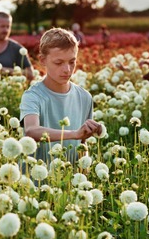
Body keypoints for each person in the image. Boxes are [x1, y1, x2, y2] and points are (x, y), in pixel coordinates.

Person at [19, 27, 102, 165]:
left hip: (69, 181)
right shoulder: (32, 96)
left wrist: (84, 174)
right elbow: (31, 130)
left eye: (72, 62)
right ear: (42, 60)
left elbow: (83, 143)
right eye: (58, 63)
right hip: (36, 182)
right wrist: (74, 134)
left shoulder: (84, 97)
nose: (67, 69)